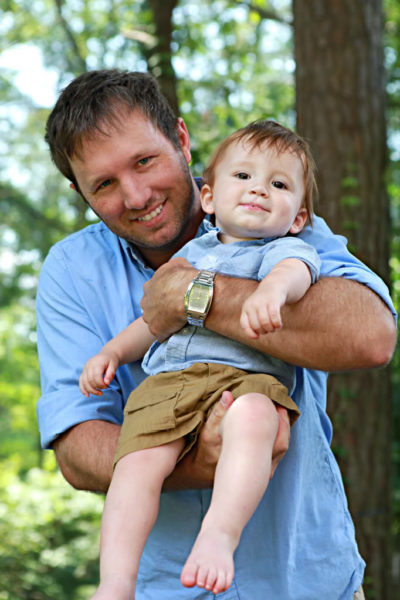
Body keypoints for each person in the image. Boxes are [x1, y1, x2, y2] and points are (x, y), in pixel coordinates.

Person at [37, 69, 396, 600]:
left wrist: (192, 296)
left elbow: (372, 336)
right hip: (166, 586)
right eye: (104, 184)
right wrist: (194, 454)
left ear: (180, 140)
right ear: (79, 192)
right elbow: (76, 447)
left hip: (305, 578)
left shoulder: (267, 210)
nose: (135, 195)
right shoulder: (71, 270)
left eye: (144, 161)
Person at [78, 119, 321, 599]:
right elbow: (155, 319)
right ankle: (116, 584)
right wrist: (111, 352)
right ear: (209, 198)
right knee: (135, 463)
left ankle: (219, 534)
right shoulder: (191, 256)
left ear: (297, 217)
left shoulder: (286, 250)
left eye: (278, 184)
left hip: (245, 380)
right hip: (172, 382)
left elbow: (296, 274)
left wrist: (270, 293)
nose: (259, 190)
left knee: (255, 420)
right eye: (244, 177)